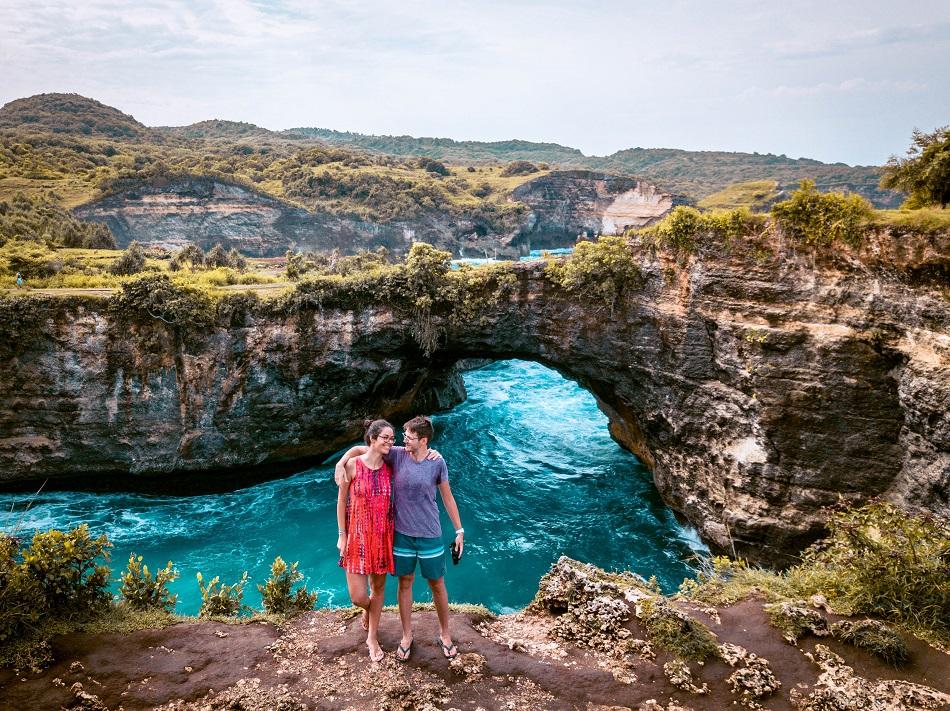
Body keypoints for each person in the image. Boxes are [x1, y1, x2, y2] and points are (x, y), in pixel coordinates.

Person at [335, 415, 464, 662]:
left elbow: (447, 497)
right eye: (397, 436)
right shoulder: (395, 454)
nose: (400, 440)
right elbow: (363, 449)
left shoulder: (431, 461)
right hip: (389, 536)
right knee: (384, 590)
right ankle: (395, 628)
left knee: (435, 584)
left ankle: (443, 635)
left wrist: (459, 531)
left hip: (413, 534)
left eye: (406, 437)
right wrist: (341, 462)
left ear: (423, 440)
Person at [337, 419, 396, 662]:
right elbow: (341, 502)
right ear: (372, 438)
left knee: (378, 589)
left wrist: (433, 453)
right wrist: (342, 535)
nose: (391, 443)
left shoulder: (392, 464)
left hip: (382, 535)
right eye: (386, 438)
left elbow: (417, 454)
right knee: (358, 597)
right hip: (356, 536)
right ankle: (367, 611)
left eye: (392, 439)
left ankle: (372, 636)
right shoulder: (352, 466)